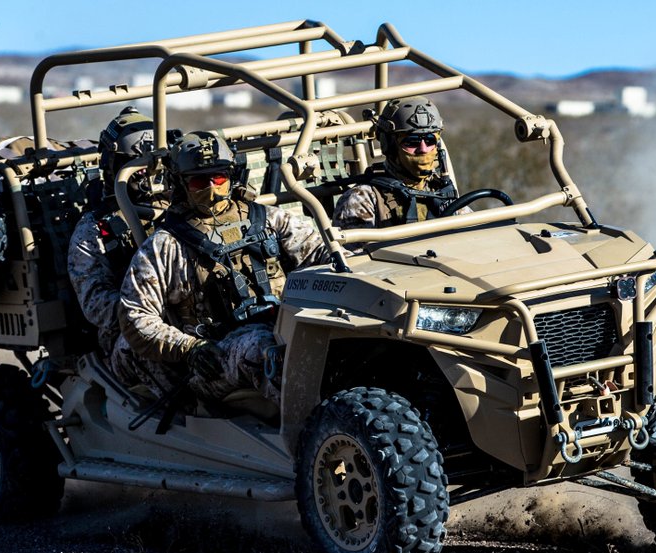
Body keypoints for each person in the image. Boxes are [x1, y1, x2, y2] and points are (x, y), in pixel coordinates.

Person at [113, 131, 331, 414]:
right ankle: (317, 428)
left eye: (218, 178)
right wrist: (190, 348)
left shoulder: (269, 219)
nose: (212, 189)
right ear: (180, 184)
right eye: (199, 181)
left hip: (285, 326)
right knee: (264, 351)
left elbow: (322, 256)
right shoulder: (166, 246)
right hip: (214, 357)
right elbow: (135, 316)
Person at [67, 106, 167, 357]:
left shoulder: (179, 207)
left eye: (150, 165)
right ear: (114, 165)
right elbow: (95, 303)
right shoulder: (94, 228)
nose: (146, 174)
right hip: (132, 333)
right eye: (136, 166)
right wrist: (152, 315)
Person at [333, 96, 467, 231]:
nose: (423, 149)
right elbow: (354, 251)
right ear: (390, 145)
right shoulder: (363, 199)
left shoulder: (442, 190)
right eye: (412, 141)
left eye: (430, 140)